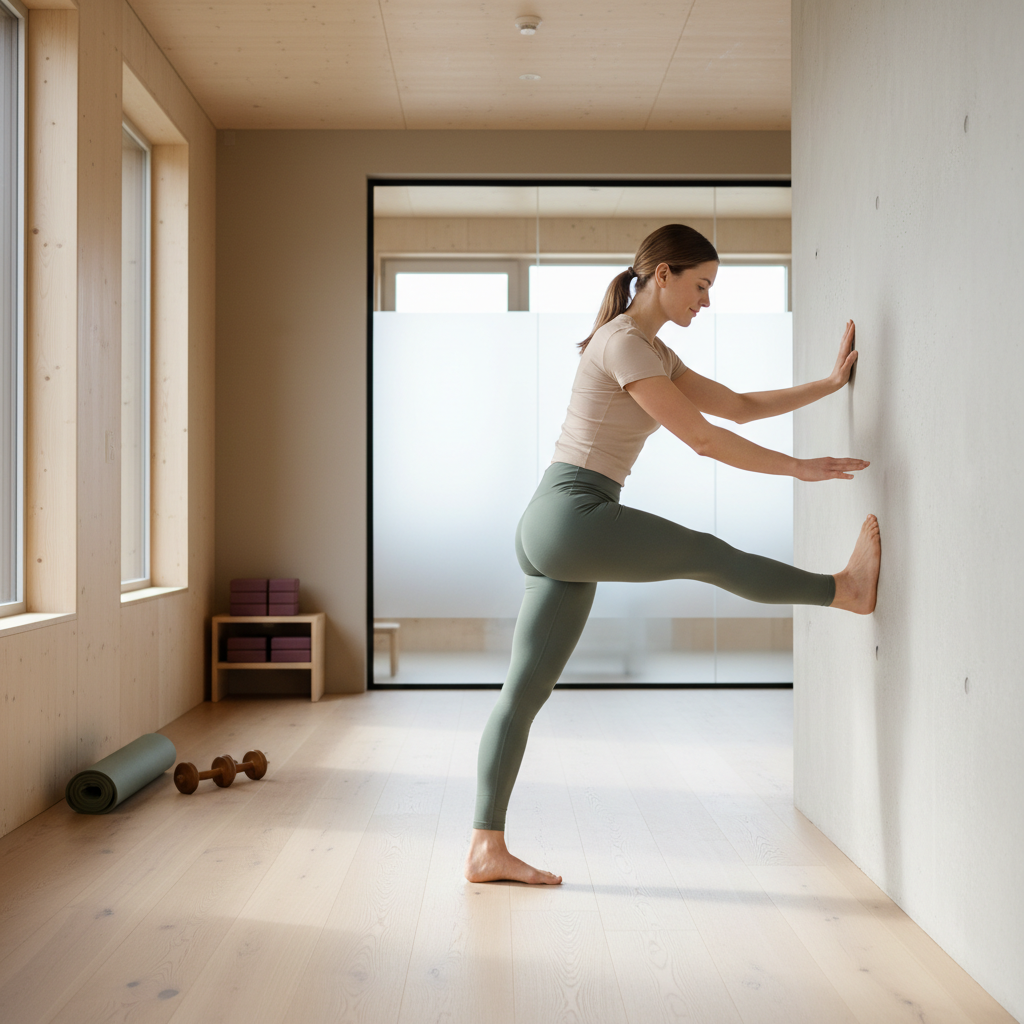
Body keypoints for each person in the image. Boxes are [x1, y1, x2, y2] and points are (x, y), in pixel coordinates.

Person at [464, 224, 881, 886]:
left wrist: (829, 386)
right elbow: (705, 441)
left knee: (523, 691)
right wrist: (801, 469)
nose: (706, 302)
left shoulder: (651, 349)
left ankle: (486, 847)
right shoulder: (626, 343)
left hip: (552, 521)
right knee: (709, 554)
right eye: (701, 285)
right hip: (574, 512)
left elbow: (739, 408)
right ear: (662, 275)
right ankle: (845, 590)